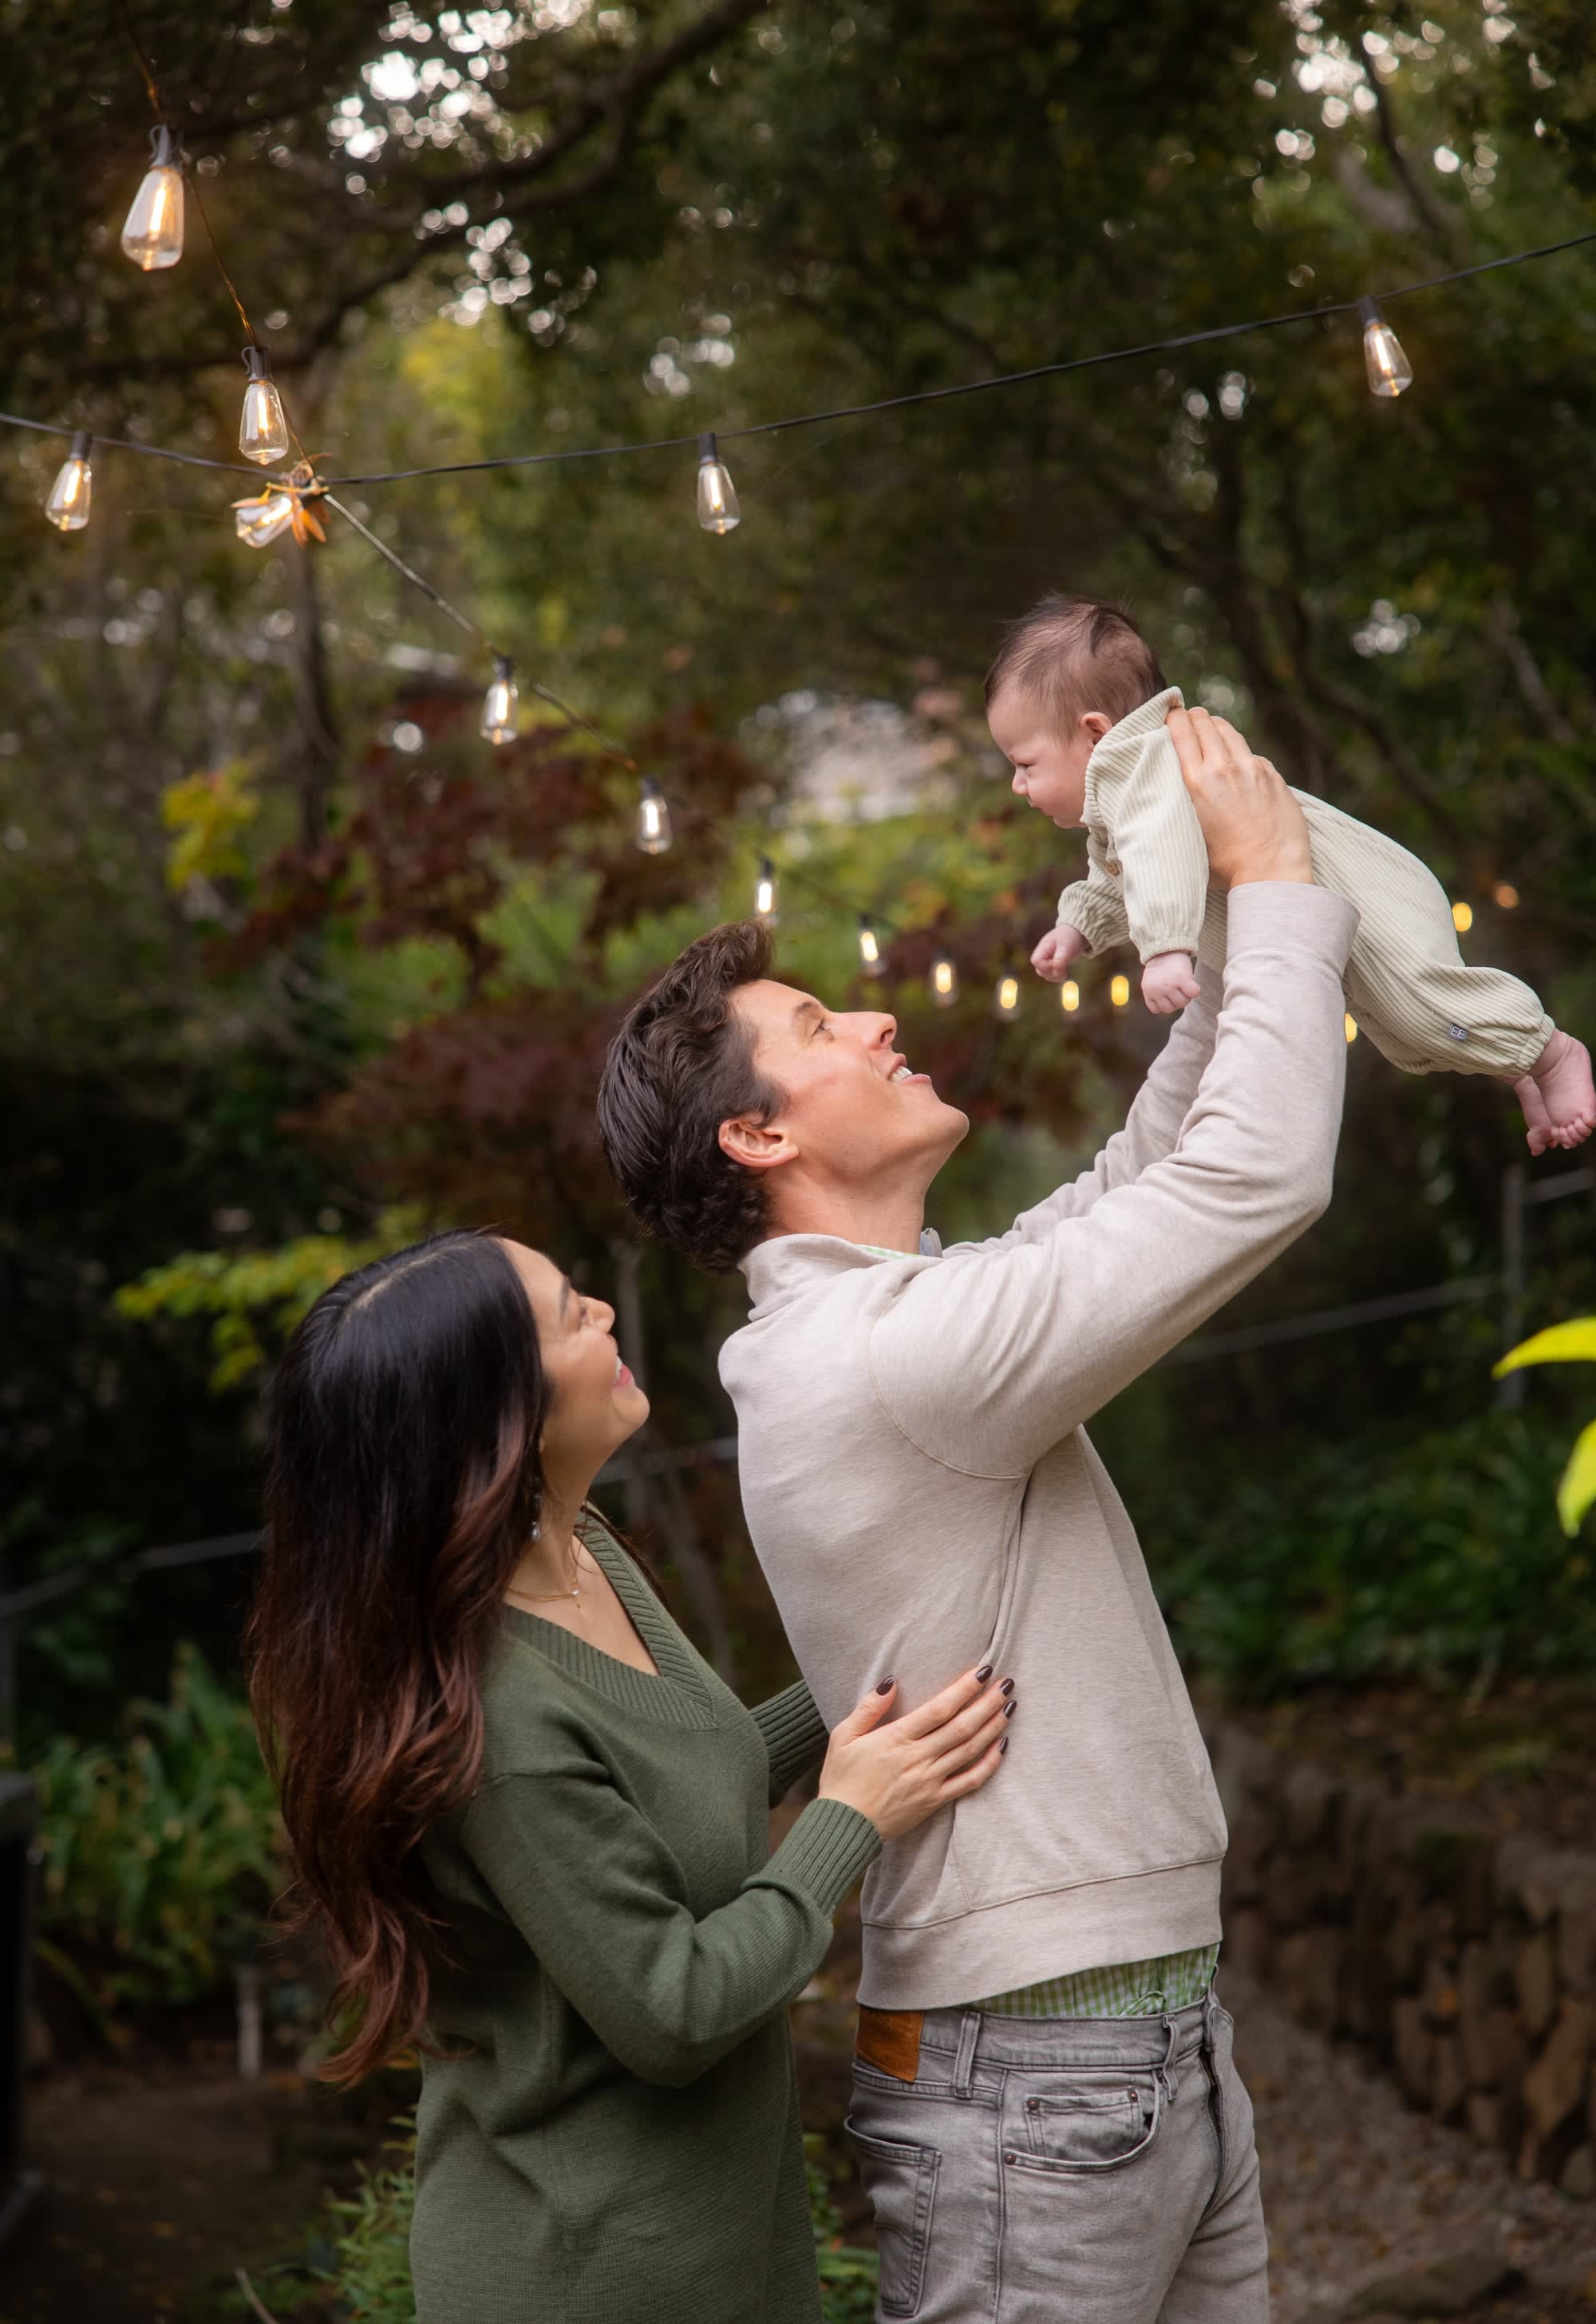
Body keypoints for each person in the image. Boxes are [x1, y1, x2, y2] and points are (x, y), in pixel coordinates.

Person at [596, 708, 1356, 2322]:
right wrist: (1281, 882)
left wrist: (1216, 928)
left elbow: (1145, 1170)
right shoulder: (886, 1356)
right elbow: (1246, 1183)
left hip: (1134, 2048)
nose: (875, 1016)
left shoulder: (902, 1317)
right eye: (819, 1020)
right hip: (1041, 2079)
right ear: (761, 1132)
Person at [247, 1227, 1013, 2324]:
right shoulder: (494, 1724)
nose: (604, 1312)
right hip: (589, 2273)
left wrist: (875, 1674)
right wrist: (848, 1818)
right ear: (494, 1419)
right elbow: (674, 2011)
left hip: (714, 2242)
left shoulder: (580, 1548)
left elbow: (685, 1781)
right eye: (568, 1315)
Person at [990, 592, 1594, 1155]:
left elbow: (1159, 851)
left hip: (1356, 894)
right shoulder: (1123, 794)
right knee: (1406, 1032)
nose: (1018, 785)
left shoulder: (1143, 771)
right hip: (1321, 905)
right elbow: (1118, 876)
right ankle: (1519, 1062)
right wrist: (1078, 926)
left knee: (1418, 1010)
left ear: (1095, 733)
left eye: (1025, 764)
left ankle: (1551, 1052)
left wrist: (1167, 948)